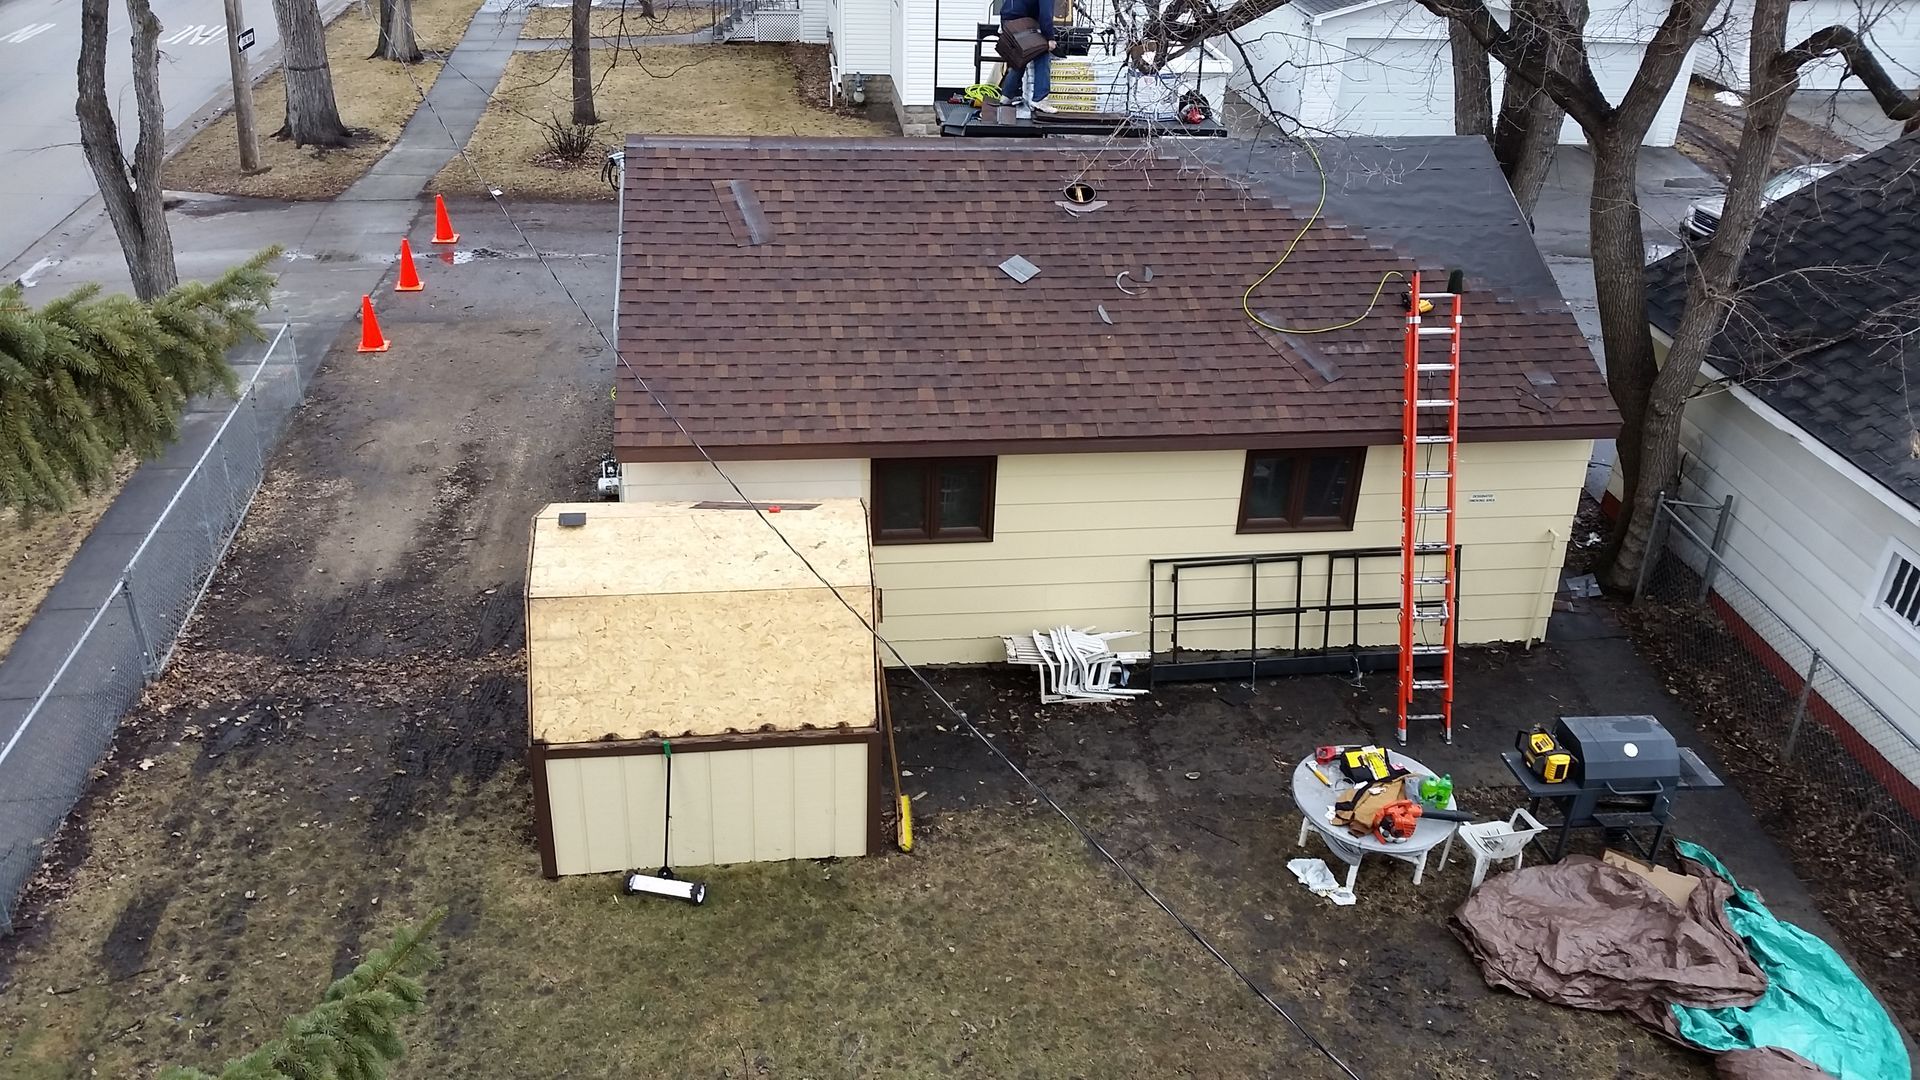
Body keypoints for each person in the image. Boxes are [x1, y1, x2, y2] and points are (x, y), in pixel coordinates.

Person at [998, 0, 1057, 113]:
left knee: (1023, 55)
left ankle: (1007, 95)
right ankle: (1040, 99)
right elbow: (1045, 14)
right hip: (1023, 22)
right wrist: (1050, 38)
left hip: (1007, 22)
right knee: (1041, 52)